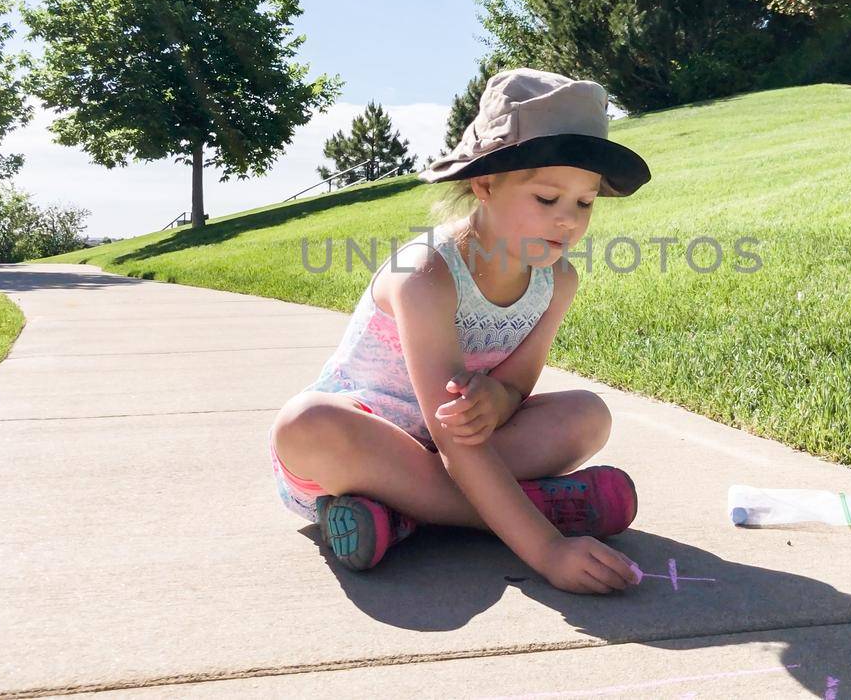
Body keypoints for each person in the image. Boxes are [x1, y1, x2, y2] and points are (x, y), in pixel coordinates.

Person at [268, 68, 654, 594]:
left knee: (588, 415)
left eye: (583, 203)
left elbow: (517, 386)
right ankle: (536, 510)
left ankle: (400, 519)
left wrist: (499, 398)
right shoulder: (426, 273)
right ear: (485, 183)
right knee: (305, 421)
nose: (568, 220)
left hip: (463, 450)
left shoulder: (557, 281)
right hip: (362, 451)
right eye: (546, 199)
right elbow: (452, 434)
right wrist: (547, 548)